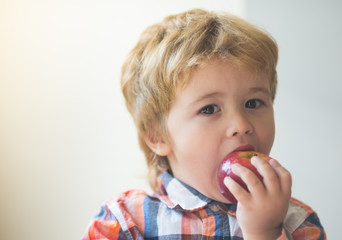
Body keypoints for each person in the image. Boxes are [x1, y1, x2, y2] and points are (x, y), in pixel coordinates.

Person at [82, 9, 326, 240]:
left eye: (253, 103)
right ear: (158, 136)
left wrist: (265, 233)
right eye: (209, 109)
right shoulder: (125, 222)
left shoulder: (298, 223)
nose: (241, 125)